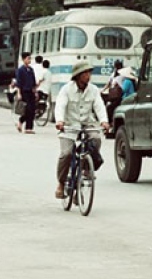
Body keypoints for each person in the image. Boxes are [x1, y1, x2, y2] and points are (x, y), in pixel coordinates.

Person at [53, 61, 110, 199]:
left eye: (89, 72)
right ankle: (61, 183)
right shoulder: (66, 89)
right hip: (69, 125)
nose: (88, 75)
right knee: (66, 154)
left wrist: (104, 121)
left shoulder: (94, 90)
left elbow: (99, 106)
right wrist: (59, 120)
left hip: (87, 123)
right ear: (78, 76)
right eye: (85, 73)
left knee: (96, 139)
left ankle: (85, 169)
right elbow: (60, 105)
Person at [15, 52, 37, 134]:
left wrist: (35, 92)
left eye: (30, 58)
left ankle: (29, 127)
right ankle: (23, 122)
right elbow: (19, 83)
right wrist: (19, 93)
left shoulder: (31, 70)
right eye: (28, 58)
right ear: (23, 59)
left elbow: (33, 82)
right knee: (27, 109)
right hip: (24, 91)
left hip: (31, 91)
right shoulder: (20, 70)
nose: (29, 60)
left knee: (32, 110)